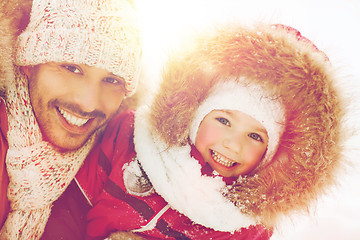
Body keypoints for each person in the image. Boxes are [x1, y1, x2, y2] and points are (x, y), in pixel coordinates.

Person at [85, 23, 346, 239]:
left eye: (255, 136)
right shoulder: (132, 138)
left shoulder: (246, 226)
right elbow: (73, 203)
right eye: (223, 120)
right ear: (196, 114)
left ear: (273, 155)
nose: (233, 144)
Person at [0, 0, 142, 239]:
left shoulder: (119, 163)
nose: (88, 103)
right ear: (29, 64)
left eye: (112, 80)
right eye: (71, 68)